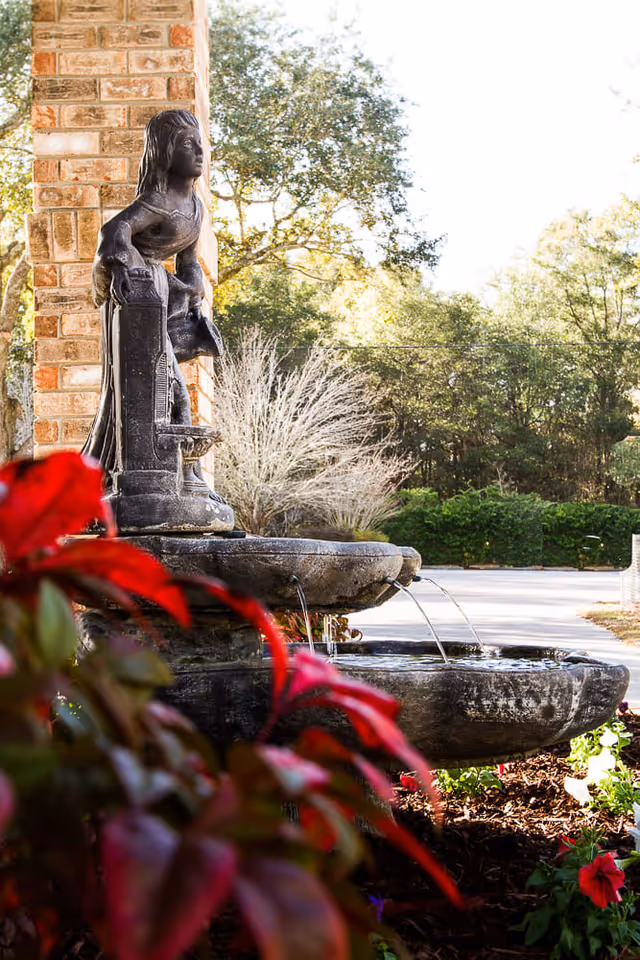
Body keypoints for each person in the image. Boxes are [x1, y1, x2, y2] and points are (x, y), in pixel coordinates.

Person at [83, 109, 223, 482]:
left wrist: (194, 292)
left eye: (200, 143)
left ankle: (183, 475)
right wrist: (120, 268)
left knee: (169, 384)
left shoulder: (195, 207)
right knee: (168, 384)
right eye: (186, 144)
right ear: (165, 152)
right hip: (136, 291)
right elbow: (115, 229)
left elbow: (189, 260)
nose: (198, 152)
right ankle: (170, 473)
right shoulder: (159, 201)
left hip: (160, 293)